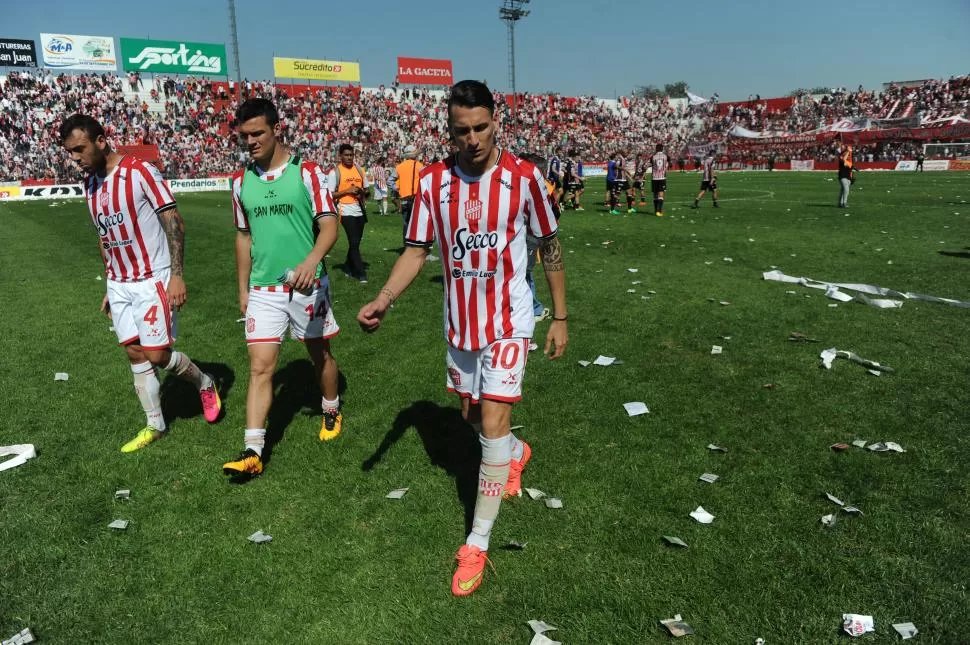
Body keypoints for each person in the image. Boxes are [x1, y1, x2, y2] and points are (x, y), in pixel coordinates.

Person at [357, 80, 568, 597]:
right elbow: (414, 252)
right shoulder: (432, 184)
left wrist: (560, 317)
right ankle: (516, 453)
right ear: (448, 130)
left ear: (496, 122)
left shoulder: (525, 179)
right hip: (461, 325)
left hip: (510, 322)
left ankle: (477, 540)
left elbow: (550, 245)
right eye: (461, 130)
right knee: (471, 416)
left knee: (492, 421)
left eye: (480, 127)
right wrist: (384, 298)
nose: (472, 139)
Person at [59, 114, 221, 453]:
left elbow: (173, 220)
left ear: (101, 141)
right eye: (70, 151)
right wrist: (109, 283)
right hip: (120, 283)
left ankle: (204, 382)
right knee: (134, 352)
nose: (75, 158)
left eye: (79, 149)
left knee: (157, 354)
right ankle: (155, 425)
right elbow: (105, 237)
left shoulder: (140, 172)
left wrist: (177, 274)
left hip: (154, 278)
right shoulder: (89, 184)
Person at [226, 98, 343, 477]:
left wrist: (311, 262)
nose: (251, 141)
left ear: (276, 129)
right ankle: (253, 450)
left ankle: (330, 407)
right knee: (260, 368)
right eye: (245, 135)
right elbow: (243, 237)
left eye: (257, 133)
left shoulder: (307, 173)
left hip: (308, 286)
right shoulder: (240, 181)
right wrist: (243, 289)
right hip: (264, 289)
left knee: (319, 354)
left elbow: (329, 225)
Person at [328, 144, 371, 283]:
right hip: (345, 210)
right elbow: (330, 195)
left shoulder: (359, 169)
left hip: (359, 209)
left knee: (355, 243)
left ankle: (347, 266)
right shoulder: (335, 172)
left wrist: (362, 192)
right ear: (340, 156)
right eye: (346, 155)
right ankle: (360, 273)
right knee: (353, 241)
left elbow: (367, 190)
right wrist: (347, 191)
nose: (349, 157)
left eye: (351, 155)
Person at [390, 145, 424, 242]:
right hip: (417, 199)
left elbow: (390, 181)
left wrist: (397, 188)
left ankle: (407, 245)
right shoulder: (420, 166)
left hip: (404, 199)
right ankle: (418, 245)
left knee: (406, 223)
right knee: (418, 223)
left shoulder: (399, 167)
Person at [650, 143, 669, 216]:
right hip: (662, 177)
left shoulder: (653, 157)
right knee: (661, 194)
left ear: (656, 149)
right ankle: (659, 211)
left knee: (655, 194)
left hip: (654, 178)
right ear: (662, 149)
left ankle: (655, 211)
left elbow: (651, 164)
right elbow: (669, 163)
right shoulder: (665, 156)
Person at [838, 138, 855, 208]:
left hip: (848, 175)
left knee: (843, 190)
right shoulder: (841, 156)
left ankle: (841, 203)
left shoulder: (849, 159)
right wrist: (848, 151)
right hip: (842, 175)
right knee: (846, 189)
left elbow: (850, 166)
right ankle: (844, 203)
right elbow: (844, 161)